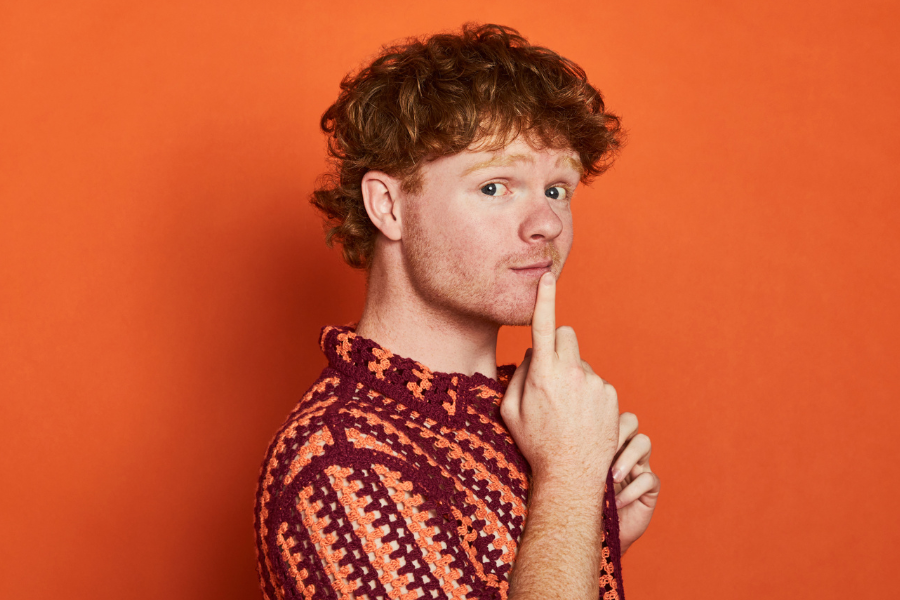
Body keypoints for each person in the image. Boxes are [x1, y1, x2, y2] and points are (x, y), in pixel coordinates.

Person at [254, 23, 660, 600]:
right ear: (388, 206)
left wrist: (587, 537)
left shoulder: (519, 425)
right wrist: (570, 481)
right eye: (496, 187)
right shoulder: (341, 461)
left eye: (557, 189)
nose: (546, 224)